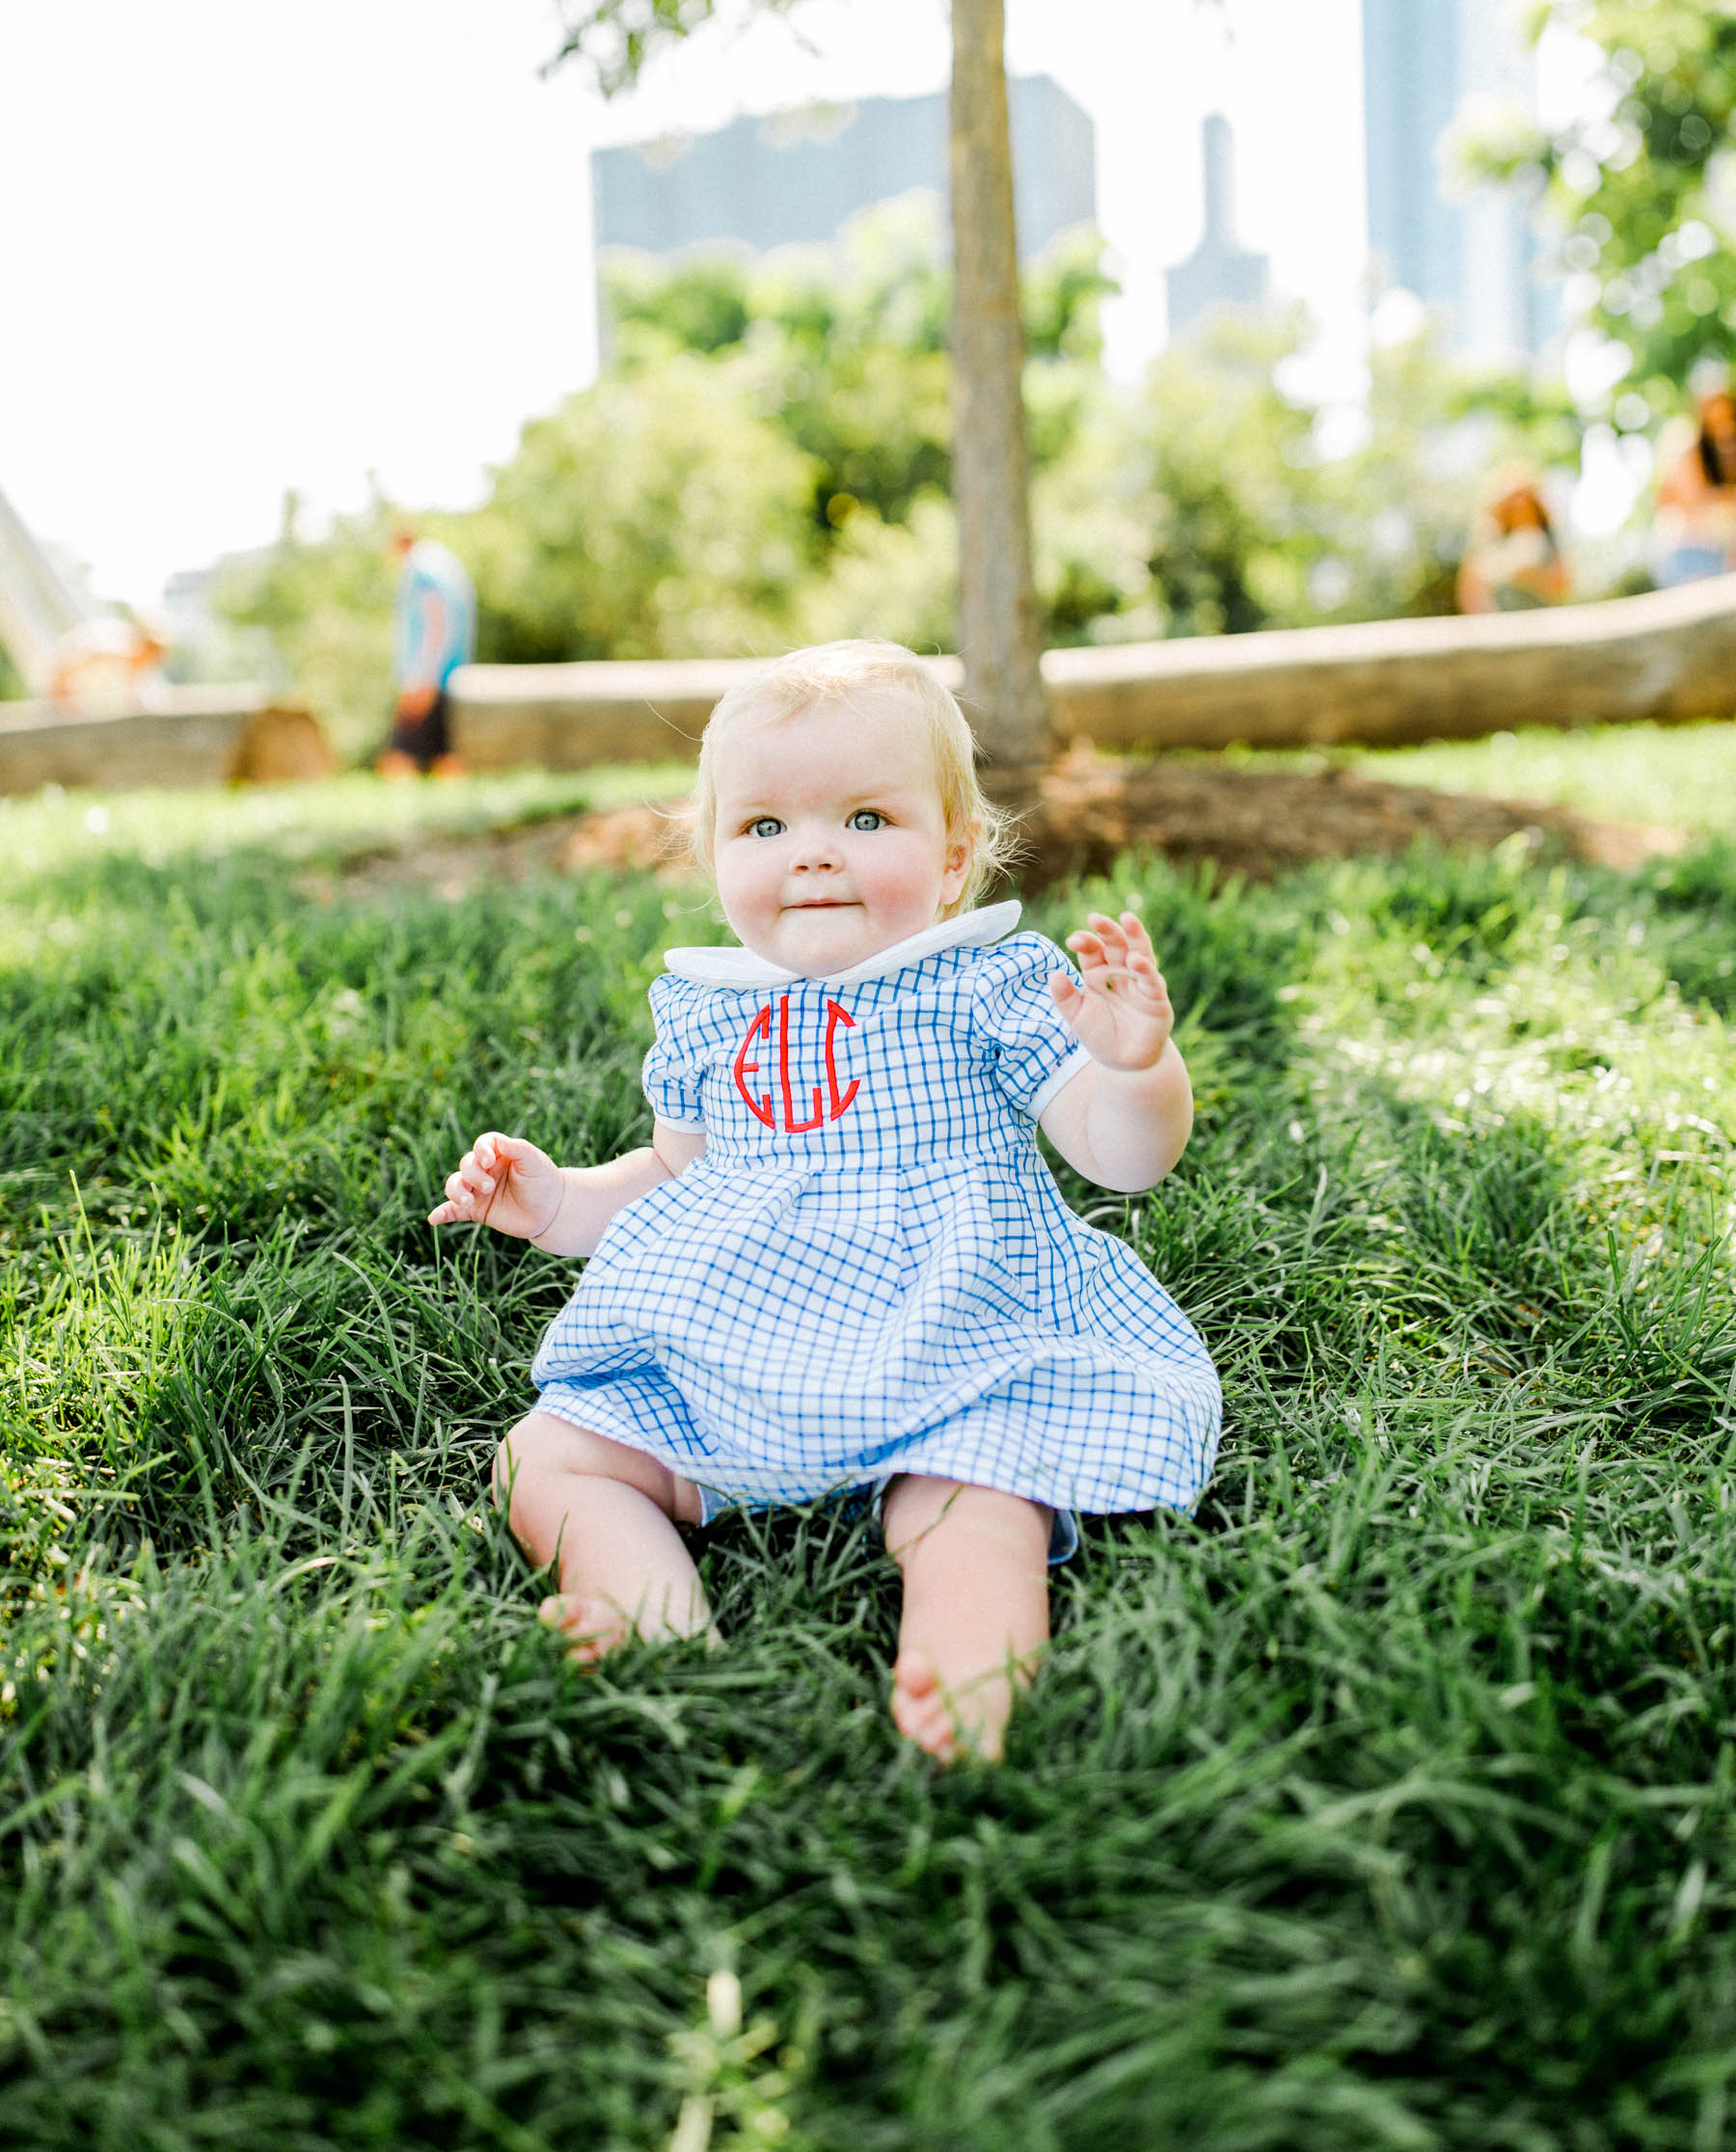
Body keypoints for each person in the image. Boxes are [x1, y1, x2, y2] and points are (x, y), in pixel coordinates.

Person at [430, 640, 1219, 1762]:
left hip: (952, 1339)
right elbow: (669, 1176)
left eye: (864, 821)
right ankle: (653, 1626)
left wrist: (1138, 1070)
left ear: (952, 860)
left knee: (976, 1497)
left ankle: (965, 1675)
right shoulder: (708, 1013)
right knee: (549, 1456)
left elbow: (1120, 1159)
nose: (812, 857)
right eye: (765, 828)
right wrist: (556, 1201)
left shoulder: (987, 984)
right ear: (714, 861)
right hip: (733, 1350)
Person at [378, 528, 475, 777]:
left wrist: (424, 676)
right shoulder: (441, 562)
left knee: (400, 753)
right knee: (442, 753)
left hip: (429, 677)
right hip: (446, 673)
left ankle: (398, 809)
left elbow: (436, 622)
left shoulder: (421, 570)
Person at [1651, 367, 1736, 587]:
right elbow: (1692, 503)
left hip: (1717, 551)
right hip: (1687, 552)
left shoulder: (1722, 450)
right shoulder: (1686, 446)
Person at [1455, 462, 1571, 615]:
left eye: (1525, 500)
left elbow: (1562, 584)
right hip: (1504, 626)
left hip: (1543, 622)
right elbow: (1471, 589)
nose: (1520, 506)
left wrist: (1532, 576)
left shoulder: (1549, 538)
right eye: (1513, 501)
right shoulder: (1490, 541)